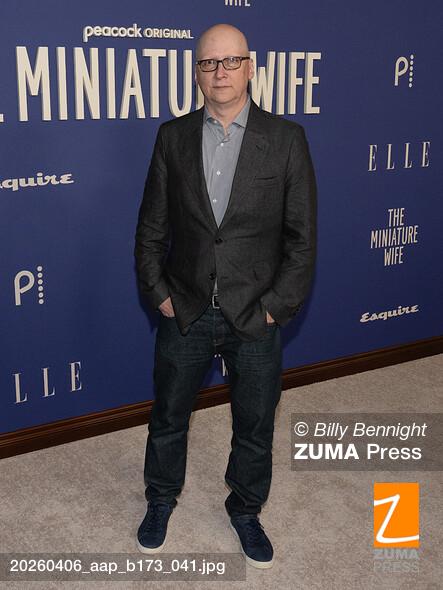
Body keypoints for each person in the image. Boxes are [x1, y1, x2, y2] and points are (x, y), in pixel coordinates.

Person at [134, 23, 317, 569]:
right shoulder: (172, 137)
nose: (220, 72)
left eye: (230, 61)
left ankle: (245, 508)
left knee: (255, 424)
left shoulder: (286, 139)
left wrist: (275, 307)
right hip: (185, 308)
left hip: (255, 312)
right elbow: (151, 227)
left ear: (250, 67)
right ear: (197, 72)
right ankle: (160, 499)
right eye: (209, 63)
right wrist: (159, 292)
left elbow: (302, 239)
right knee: (169, 415)